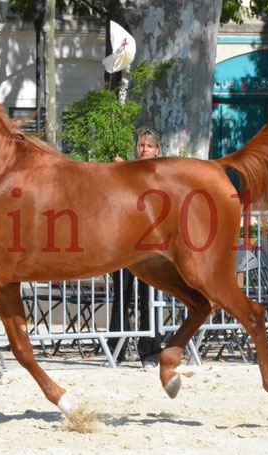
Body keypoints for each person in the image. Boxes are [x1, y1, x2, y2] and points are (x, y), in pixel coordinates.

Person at [108, 128, 163, 367]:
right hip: (126, 244)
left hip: (151, 246)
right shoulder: (128, 170)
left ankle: (150, 352)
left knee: (148, 299)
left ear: (157, 150)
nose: (144, 149)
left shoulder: (160, 174)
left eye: (148, 146)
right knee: (121, 296)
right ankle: (116, 350)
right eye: (141, 145)